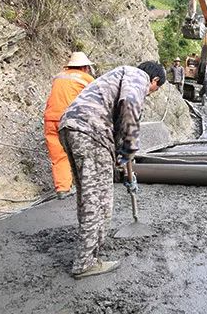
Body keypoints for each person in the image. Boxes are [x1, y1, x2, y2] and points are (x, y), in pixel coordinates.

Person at [58, 61, 165, 278]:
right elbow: (131, 104)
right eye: (156, 88)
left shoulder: (119, 78)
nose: (151, 93)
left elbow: (117, 125)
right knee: (99, 201)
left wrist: (124, 163)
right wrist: (131, 147)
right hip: (91, 132)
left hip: (73, 128)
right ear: (154, 80)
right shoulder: (138, 77)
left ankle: (89, 255)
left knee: (88, 197)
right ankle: (85, 263)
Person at [44, 52, 95, 199]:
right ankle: (86, 185)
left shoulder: (59, 76)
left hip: (50, 118)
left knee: (58, 155)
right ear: (85, 67)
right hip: (69, 121)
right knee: (82, 152)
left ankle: (63, 188)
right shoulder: (86, 79)